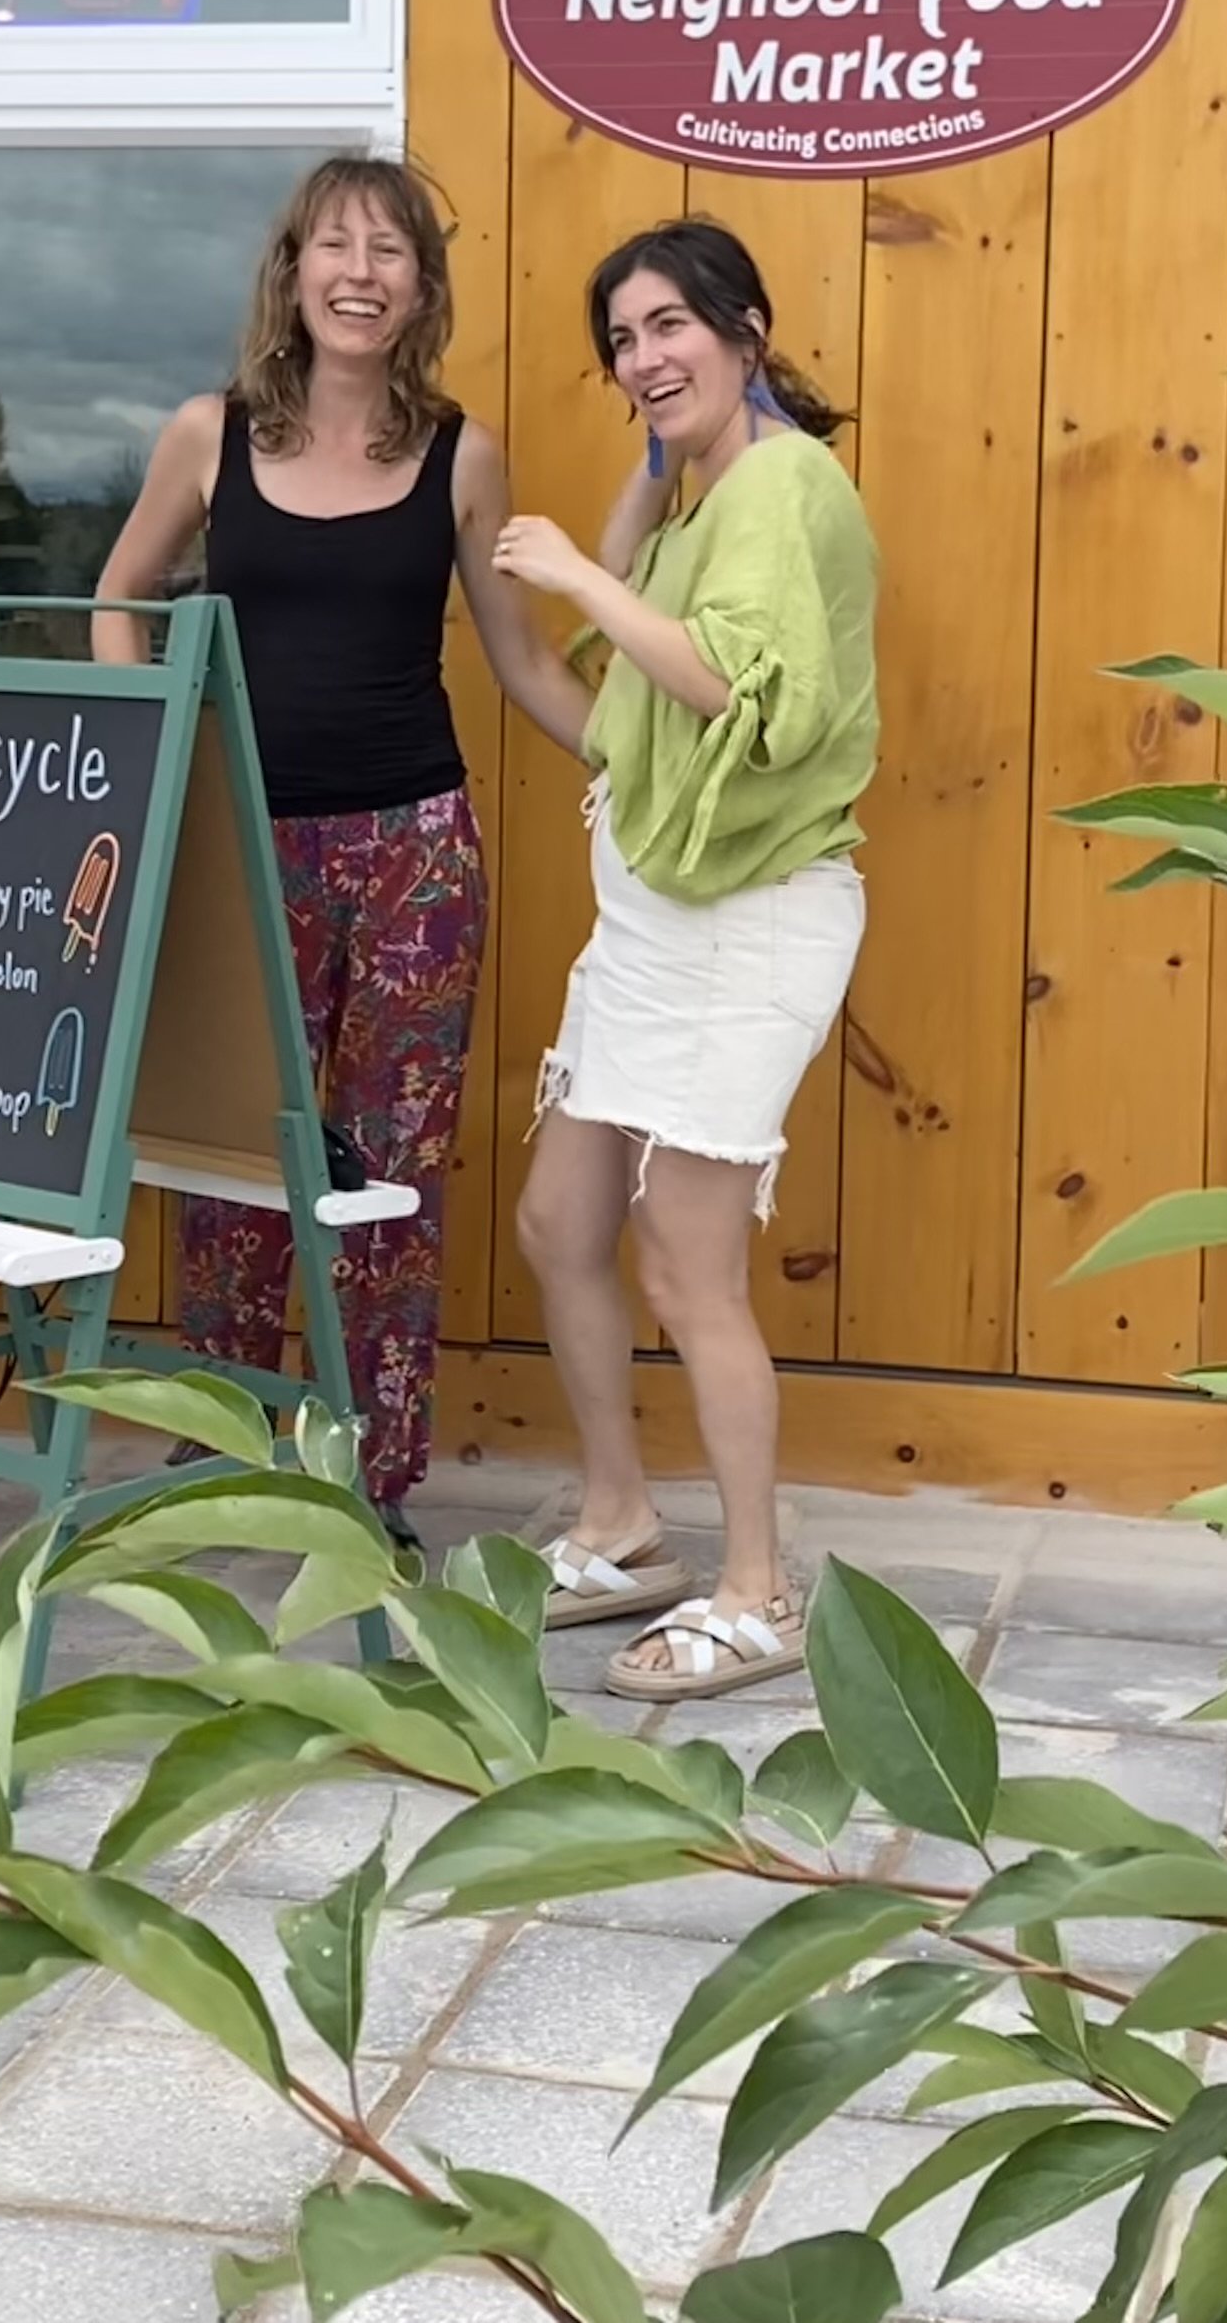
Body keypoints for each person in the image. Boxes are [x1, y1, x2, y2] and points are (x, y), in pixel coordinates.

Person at [95, 156, 591, 1542]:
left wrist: (647, 766)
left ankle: (371, 1479)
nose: (361, 273)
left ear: (421, 288)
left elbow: (523, 662)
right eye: (337, 245)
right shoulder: (207, 436)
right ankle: (224, 1448)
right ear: (294, 269)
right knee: (239, 1166)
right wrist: (157, 762)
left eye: (391, 251)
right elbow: (120, 599)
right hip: (240, 850)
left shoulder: (460, 454)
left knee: (387, 1176)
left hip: (415, 853)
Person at [493, 217, 877, 1700]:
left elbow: (731, 689)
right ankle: (622, 1524)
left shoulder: (786, 484)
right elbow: (631, 586)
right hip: (657, 919)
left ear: (744, 328)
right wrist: (655, 466)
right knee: (559, 1220)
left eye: (670, 327)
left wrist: (579, 584)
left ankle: (758, 1590)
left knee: (685, 1262)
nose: (643, 358)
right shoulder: (715, 484)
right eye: (623, 342)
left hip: (750, 918)